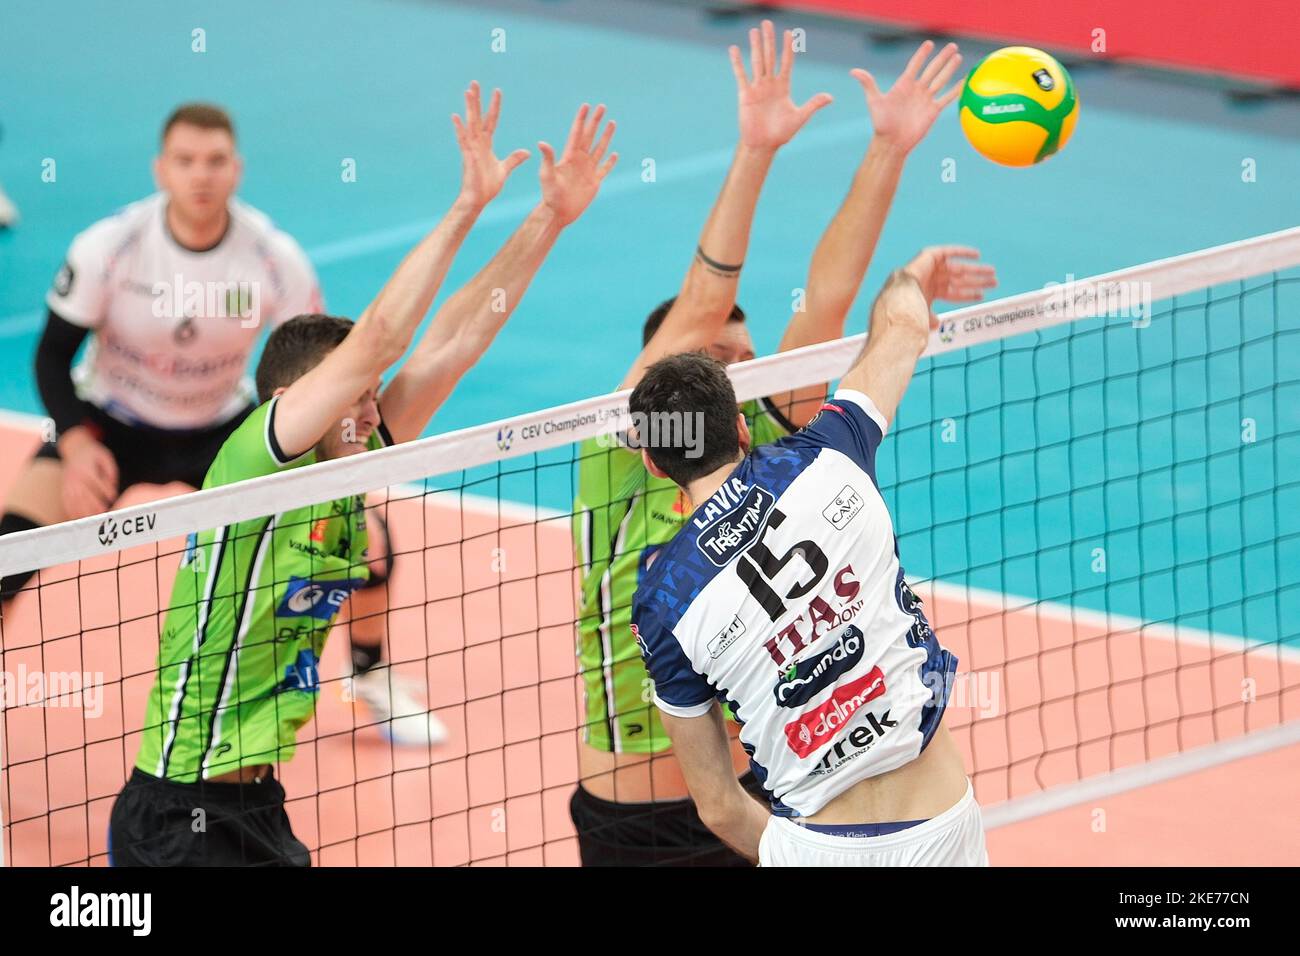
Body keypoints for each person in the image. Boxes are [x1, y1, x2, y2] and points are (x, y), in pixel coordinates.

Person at [107, 86, 617, 866]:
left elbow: (450, 343)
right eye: (356, 397)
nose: (375, 413)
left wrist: (547, 219)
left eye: (375, 401)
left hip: (258, 804)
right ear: (293, 403)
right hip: (179, 811)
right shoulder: (255, 463)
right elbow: (382, 338)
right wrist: (466, 206)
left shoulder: (348, 462)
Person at [569, 23, 991, 865]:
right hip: (640, 818)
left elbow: (830, 298)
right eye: (719, 354)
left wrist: (887, 151)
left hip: (777, 800)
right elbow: (702, 301)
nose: (741, 364)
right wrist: (754, 150)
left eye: (746, 354)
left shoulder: (771, 441)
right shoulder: (619, 443)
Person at [0, 103, 431, 744]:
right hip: (110, 424)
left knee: (369, 545)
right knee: (7, 554)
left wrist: (330, 463)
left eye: (215, 161)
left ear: (237, 170)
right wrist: (77, 439)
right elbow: (51, 356)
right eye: (185, 161)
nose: (200, 175)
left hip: (222, 432)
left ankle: (368, 674)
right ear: (161, 169)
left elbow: (319, 371)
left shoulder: (273, 258)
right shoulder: (109, 247)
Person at [628, 251, 990, 866]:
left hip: (814, 848)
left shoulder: (663, 602)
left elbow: (717, 805)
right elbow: (904, 328)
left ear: (656, 464)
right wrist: (914, 277)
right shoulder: (830, 452)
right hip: (942, 824)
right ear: (741, 430)